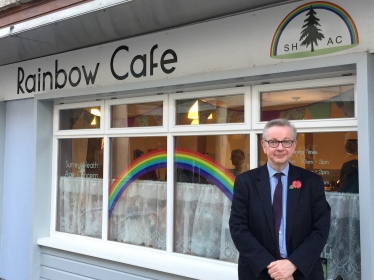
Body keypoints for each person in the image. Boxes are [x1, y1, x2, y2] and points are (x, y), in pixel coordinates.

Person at [229, 119, 331, 280]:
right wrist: (275, 269)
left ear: (294, 145)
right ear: (264, 146)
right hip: (259, 271)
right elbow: (238, 228)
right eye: (273, 142)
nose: (280, 148)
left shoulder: (312, 182)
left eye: (286, 142)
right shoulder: (245, 182)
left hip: (301, 272)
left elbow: (321, 228)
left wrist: (292, 264)